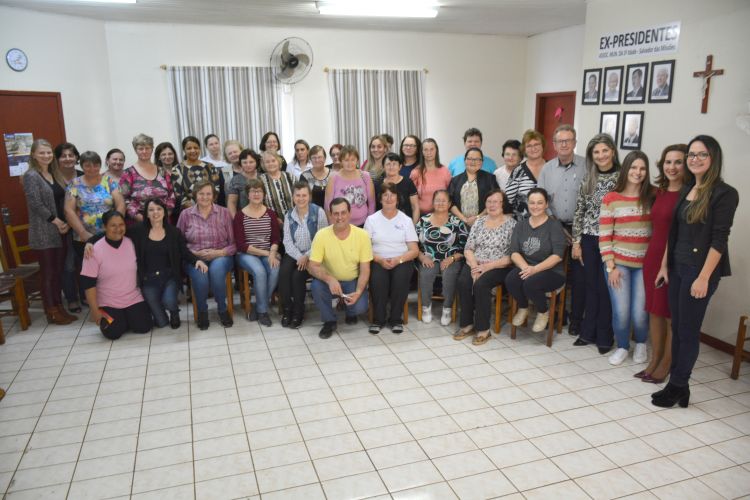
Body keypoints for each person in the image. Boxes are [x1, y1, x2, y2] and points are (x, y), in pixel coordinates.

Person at [652, 135, 738, 408]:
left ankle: (677, 385)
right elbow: (674, 232)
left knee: (688, 331)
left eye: (702, 154)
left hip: (698, 271)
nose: (695, 159)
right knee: (678, 328)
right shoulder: (688, 188)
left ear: (713, 158)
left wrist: (703, 277)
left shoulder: (724, 193)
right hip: (677, 267)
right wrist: (664, 266)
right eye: (692, 154)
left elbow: (719, 241)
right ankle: (680, 386)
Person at [86, 198, 208, 329]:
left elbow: (184, 251)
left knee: (169, 301)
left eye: (159, 209)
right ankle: (159, 314)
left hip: (169, 277)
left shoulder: (174, 232)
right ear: (147, 213)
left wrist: (196, 260)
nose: (155, 212)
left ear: (164, 212)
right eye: (151, 210)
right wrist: (90, 241)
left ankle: (174, 312)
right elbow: (113, 232)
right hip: (148, 280)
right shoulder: (138, 230)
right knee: (161, 323)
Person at [639, 144, 689, 383]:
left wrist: (666, 264)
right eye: (668, 162)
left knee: (668, 314)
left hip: (671, 261)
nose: (672, 167)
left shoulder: (688, 195)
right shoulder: (658, 192)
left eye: (678, 162)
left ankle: (665, 365)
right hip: (652, 256)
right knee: (654, 311)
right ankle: (654, 360)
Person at [599, 151, 653, 365]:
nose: (638, 172)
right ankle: (622, 346)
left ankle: (641, 343)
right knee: (621, 312)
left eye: (642, 168)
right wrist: (610, 267)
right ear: (626, 169)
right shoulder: (611, 198)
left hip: (645, 266)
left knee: (640, 312)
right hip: (618, 264)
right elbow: (604, 236)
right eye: (633, 167)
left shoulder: (652, 197)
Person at [572, 134, 621, 354]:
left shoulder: (622, 178)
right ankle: (587, 332)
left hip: (612, 240)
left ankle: (604, 336)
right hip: (589, 238)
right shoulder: (588, 178)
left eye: (605, 151)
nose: (601, 156)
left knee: (606, 288)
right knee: (590, 286)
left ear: (613, 151)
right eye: (596, 152)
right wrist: (576, 242)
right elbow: (579, 211)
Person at [537, 124, 586, 335]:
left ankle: (576, 318)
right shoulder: (547, 169)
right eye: (560, 141)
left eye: (568, 140)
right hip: (554, 226)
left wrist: (576, 235)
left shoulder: (587, 166)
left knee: (579, 276)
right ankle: (557, 313)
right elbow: (540, 198)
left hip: (580, 228)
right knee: (553, 270)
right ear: (554, 144)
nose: (564, 144)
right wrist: (556, 224)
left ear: (574, 142)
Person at [22, 139, 76, 325]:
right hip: (44, 232)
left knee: (58, 272)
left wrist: (66, 222)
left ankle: (59, 307)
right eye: (41, 153)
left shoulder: (54, 173)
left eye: (48, 152)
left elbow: (64, 199)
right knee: (48, 273)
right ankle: (51, 311)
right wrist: (56, 221)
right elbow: (35, 204)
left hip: (61, 231)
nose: (46, 156)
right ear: (33, 155)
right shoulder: (31, 176)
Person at [454, 189, 516, 345]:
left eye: (496, 201)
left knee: (481, 285)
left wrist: (487, 267)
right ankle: (467, 324)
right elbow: (468, 248)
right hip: (475, 262)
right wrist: (475, 266)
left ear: (503, 204)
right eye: (489, 201)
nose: (492, 205)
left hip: (499, 266)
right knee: (463, 282)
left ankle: (483, 329)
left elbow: (512, 256)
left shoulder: (512, 224)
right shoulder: (479, 222)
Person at [80, 211, 153, 340]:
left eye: (121, 225)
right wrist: (95, 310)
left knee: (144, 327)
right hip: (108, 302)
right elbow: (88, 283)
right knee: (113, 333)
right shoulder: (93, 250)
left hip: (133, 298)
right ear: (105, 227)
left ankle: (126, 318)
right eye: (113, 225)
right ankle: (122, 320)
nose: (118, 229)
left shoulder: (132, 243)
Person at [309, 198, 373, 339]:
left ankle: (350, 311)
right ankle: (329, 321)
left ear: (350, 213)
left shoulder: (362, 235)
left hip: (351, 281)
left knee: (360, 307)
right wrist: (329, 279)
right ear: (330, 215)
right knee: (316, 287)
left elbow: (365, 270)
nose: (340, 217)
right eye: (336, 213)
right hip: (328, 282)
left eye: (343, 213)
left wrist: (358, 292)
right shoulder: (321, 235)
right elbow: (312, 266)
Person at [177, 180, 236, 330]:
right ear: (195, 195)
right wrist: (194, 254)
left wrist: (219, 253)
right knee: (201, 277)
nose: (205, 197)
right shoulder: (185, 215)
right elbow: (178, 244)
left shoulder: (224, 213)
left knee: (216, 271)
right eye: (201, 194)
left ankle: (222, 309)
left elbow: (234, 243)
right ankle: (202, 311)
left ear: (213, 195)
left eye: (208, 194)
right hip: (194, 258)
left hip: (221, 255)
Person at [506, 188, 567, 333]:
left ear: (546, 204)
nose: (535, 206)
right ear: (527, 204)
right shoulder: (521, 225)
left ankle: (543, 312)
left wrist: (534, 270)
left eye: (540, 203)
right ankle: (523, 307)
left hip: (552, 271)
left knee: (530, 284)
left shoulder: (554, 226)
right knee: (511, 280)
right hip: (527, 267)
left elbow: (557, 256)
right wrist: (526, 268)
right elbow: (514, 252)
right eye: (532, 202)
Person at [365, 183, 419, 334]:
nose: (389, 198)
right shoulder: (371, 220)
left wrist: (398, 260)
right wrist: (380, 260)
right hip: (377, 259)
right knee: (378, 279)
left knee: (400, 278)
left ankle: (396, 319)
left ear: (397, 198)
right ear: (380, 199)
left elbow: (414, 250)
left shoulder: (406, 220)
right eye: (385, 195)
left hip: (401, 260)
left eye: (392, 195)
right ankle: (378, 319)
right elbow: (365, 249)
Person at [279, 181, 329, 328]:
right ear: (293, 197)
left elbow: (322, 239)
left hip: (314, 254)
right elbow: (287, 241)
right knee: (284, 273)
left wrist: (307, 256)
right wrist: (299, 257)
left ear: (309, 196)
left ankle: (298, 312)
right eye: (298, 195)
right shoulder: (288, 215)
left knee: (297, 276)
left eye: (304, 195)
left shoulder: (318, 212)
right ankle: (287, 309)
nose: (301, 198)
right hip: (294, 253)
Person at [416, 190, 468, 326]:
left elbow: (466, 247)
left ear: (449, 204)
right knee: (426, 273)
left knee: (449, 274)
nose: (440, 203)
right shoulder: (423, 220)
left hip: (451, 258)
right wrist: (422, 257)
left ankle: (447, 309)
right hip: (428, 257)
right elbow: (413, 243)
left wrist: (453, 258)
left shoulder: (457, 222)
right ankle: (426, 307)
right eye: (437, 200)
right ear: (433, 203)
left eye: (444, 201)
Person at [233, 179, 280, 327]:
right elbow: (241, 245)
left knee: (275, 269)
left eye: (259, 191)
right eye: (253, 191)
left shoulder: (270, 213)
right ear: (247, 195)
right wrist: (267, 254)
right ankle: (263, 311)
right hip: (246, 254)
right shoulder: (240, 215)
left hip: (267, 252)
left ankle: (259, 307)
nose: (256, 194)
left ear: (264, 194)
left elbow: (275, 238)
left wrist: (272, 252)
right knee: (260, 272)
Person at [65, 151, 126, 262]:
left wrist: (115, 227)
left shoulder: (109, 182)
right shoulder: (74, 184)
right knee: (88, 268)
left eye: (96, 165)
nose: (92, 168)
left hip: (109, 234)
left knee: (110, 266)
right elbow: (69, 210)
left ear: (100, 165)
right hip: (83, 237)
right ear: (82, 166)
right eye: (88, 165)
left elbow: (121, 204)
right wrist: (83, 233)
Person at [119, 133, 175, 224]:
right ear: (135, 150)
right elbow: (124, 199)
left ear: (152, 149)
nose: (144, 151)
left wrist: (164, 216)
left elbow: (171, 196)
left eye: (147, 148)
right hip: (140, 222)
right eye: (141, 148)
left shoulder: (162, 172)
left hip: (163, 221)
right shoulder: (128, 173)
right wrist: (140, 218)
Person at [55, 142, 83, 313]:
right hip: (62, 227)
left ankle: (86, 295)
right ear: (57, 159)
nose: (67, 159)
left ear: (76, 157)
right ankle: (72, 298)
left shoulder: (82, 175)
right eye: (63, 156)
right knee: (68, 264)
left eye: (71, 155)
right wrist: (60, 222)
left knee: (85, 262)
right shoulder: (51, 176)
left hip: (82, 226)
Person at [324, 145, 376, 227]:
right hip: (340, 225)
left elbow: (372, 203)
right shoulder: (333, 178)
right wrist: (333, 225)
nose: (350, 163)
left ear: (357, 160)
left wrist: (370, 224)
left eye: (353, 160)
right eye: (346, 160)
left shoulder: (365, 176)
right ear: (341, 161)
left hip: (363, 225)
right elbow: (327, 206)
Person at [448, 148, 499, 227]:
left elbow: (496, 200)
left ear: (481, 162)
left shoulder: (490, 178)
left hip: (484, 223)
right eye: (470, 159)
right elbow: (450, 202)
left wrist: (478, 217)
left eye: (477, 159)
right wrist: (464, 219)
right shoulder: (455, 180)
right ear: (465, 160)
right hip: (459, 223)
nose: (473, 162)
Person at [172, 136, 223, 210]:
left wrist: (206, 206)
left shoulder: (210, 167)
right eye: (189, 148)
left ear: (200, 149)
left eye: (196, 148)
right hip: (189, 211)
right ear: (184, 150)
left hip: (210, 209)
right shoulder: (177, 170)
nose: (193, 151)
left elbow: (216, 189)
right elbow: (179, 194)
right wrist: (196, 209)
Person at [506, 130, 546, 219]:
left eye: (536, 144)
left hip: (548, 222)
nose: (533, 148)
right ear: (524, 149)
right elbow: (508, 200)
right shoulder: (517, 171)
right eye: (529, 146)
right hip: (522, 223)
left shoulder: (551, 168)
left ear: (542, 146)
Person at [411, 138, 451, 215]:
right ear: (422, 152)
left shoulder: (445, 171)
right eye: (425, 150)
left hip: (442, 214)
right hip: (421, 216)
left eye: (432, 149)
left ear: (436, 151)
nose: (429, 152)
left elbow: (450, 195)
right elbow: (411, 198)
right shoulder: (415, 172)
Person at [380, 153, 419, 223]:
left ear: (400, 167)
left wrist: (413, 226)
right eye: (388, 164)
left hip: (405, 224)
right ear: (383, 167)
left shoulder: (408, 183)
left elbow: (415, 207)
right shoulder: (378, 184)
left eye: (394, 164)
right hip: (383, 223)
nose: (391, 167)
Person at [259, 151, 295, 226]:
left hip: (295, 220)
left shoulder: (290, 177)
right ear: (263, 165)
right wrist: (274, 218)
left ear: (278, 162)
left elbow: (299, 196)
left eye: (273, 161)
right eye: (267, 162)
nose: (271, 164)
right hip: (272, 222)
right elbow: (259, 203)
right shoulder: (260, 180)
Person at [227, 149, 261, 217]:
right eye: (245, 162)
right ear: (240, 164)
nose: (248, 165)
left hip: (263, 216)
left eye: (251, 162)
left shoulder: (263, 177)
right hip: (243, 217)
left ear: (256, 162)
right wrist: (235, 219)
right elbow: (232, 203)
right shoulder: (235, 180)